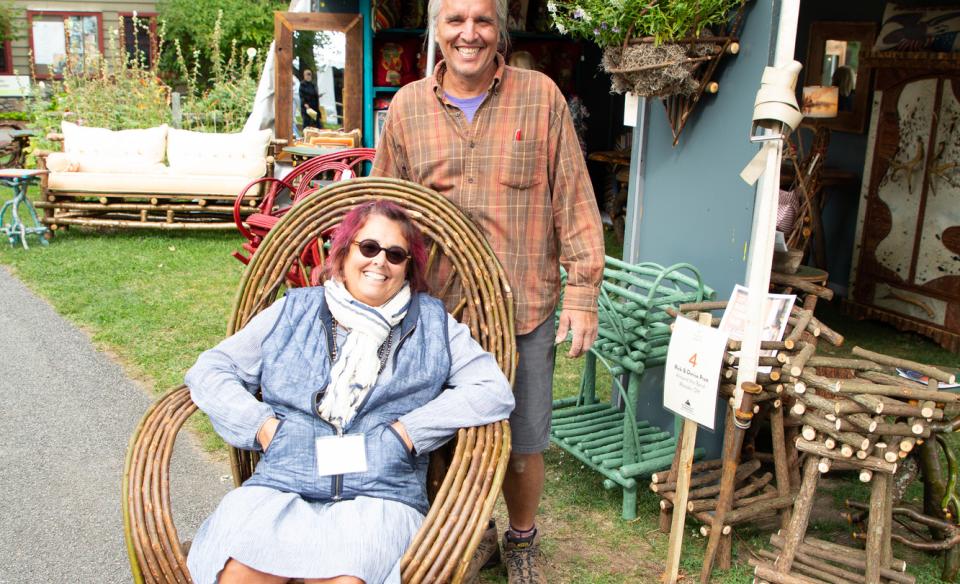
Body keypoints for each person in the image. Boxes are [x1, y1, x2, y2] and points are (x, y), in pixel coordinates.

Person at [371, 0, 604, 581]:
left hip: (522, 307)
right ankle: (473, 532)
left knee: (523, 441)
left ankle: (522, 538)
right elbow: (384, 210)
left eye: (481, 20)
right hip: (435, 314)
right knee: (439, 435)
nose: (468, 34)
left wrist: (582, 293)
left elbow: (573, 195)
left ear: (499, 28)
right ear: (437, 30)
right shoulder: (406, 108)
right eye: (455, 21)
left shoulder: (541, 96)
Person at [185, 200, 515, 584]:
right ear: (343, 253)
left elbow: (492, 389)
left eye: (395, 255)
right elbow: (211, 370)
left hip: (379, 497)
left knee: (345, 579)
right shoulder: (293, 311)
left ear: (407, 268)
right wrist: (262, 427)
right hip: (283, 485)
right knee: (239, 574)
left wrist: (407, 433)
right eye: (369, 247)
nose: (380, 262)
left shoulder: (432, 324)